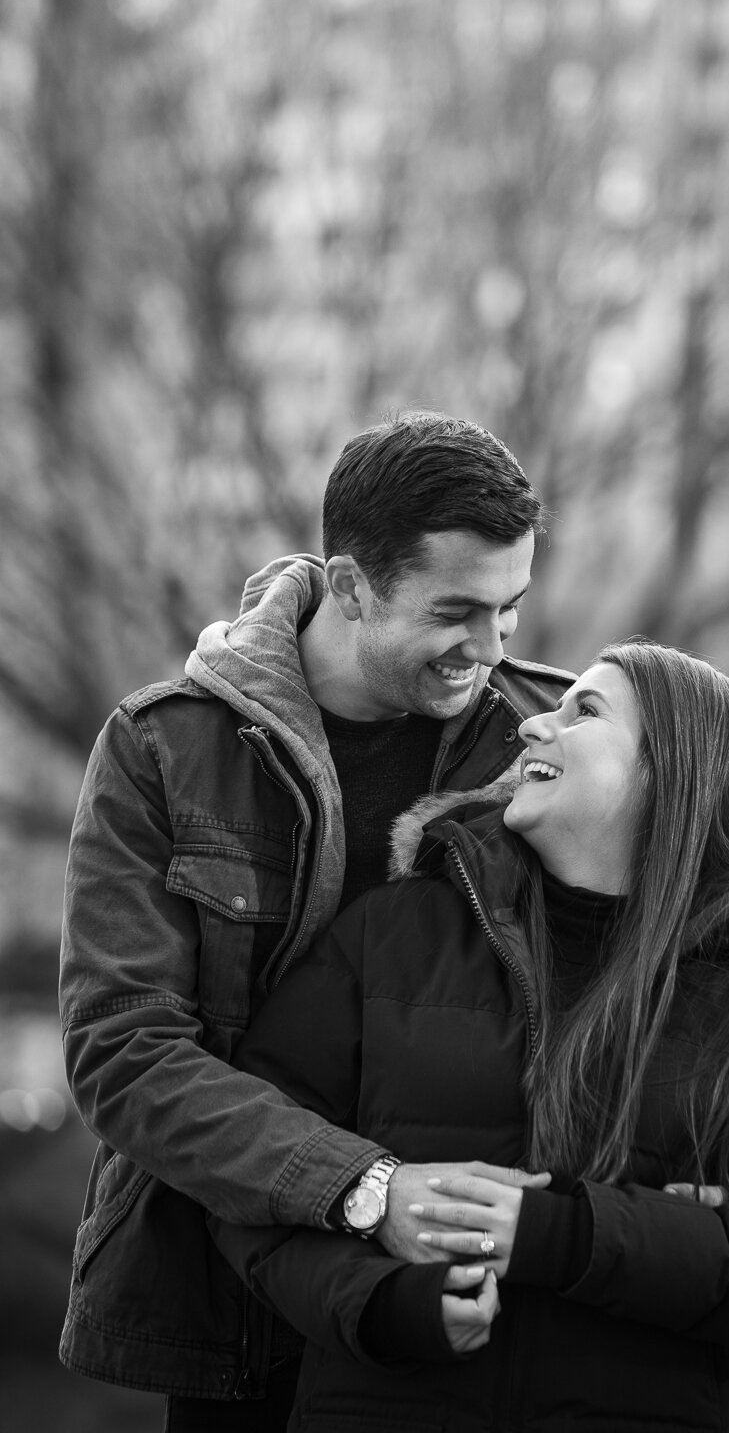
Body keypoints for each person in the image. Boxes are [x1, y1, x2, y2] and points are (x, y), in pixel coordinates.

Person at [210, 638, 729, 1432]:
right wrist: (385, 1302)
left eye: (585, 711)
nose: (533, 728)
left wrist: (567, 1236)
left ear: (671, 773)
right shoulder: (388, 937)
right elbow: (254, 1181)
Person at [58, 412, 574, 1430]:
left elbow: (706, 920)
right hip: (235, 1309)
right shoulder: (163, 749)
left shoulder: (547, 738)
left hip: (487, 1322)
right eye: (457, 611)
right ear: (348, 585)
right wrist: (372, 1189)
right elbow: (124, 1051)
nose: (489, 647)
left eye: (509, 610)